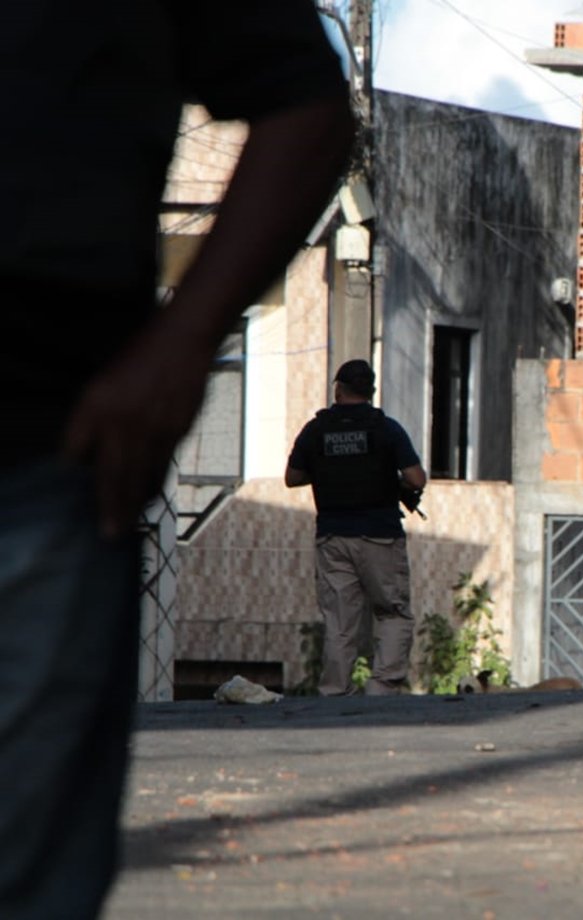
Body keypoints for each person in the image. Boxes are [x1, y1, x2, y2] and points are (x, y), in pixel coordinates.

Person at [0, 3, 353, 916]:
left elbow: (294, 477)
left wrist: (183, 341)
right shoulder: (379, 431)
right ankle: (363, 686)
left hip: (48, 437)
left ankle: (353, 681)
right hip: (362, 534)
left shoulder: (324, 428)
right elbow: (398, 479)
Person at [285, 360, 427, 696]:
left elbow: (292, 478)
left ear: (338, 389)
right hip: (380, 535)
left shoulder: (315, 430)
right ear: (371, 392)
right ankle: (381, 688)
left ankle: (334, 691)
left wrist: (326, 470)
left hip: (333, 536)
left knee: (340, 621)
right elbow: (416, 478)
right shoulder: (387, 429)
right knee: (392, 612)